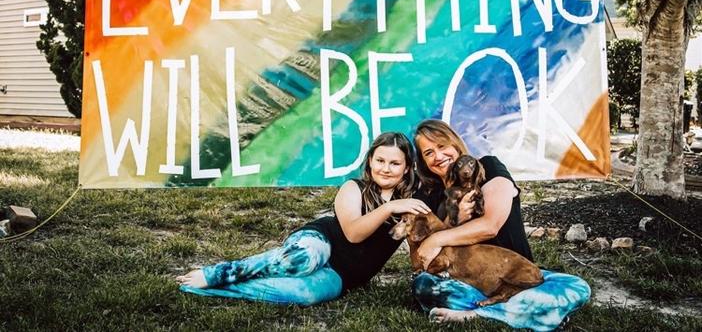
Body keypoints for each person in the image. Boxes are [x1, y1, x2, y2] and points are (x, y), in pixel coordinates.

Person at [176, 131, 430, 305]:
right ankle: (218, 274)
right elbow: (353, 233)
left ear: (407, 167)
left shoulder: (413, 201)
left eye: (394, 163)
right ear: (370, 162)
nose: (385, 168)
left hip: (345, 274)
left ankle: (212, 287)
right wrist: (389, 208)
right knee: (304, 259)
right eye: (380, 160)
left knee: (304, 294)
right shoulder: (353, 188)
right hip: (321, 241)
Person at [411, 119, 590, 330]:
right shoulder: (430, 194)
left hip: (514, 276)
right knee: (423, 285)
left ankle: (477, 313)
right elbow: (425, 256)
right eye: (428, 152)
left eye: (442, 146)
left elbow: (490, 225)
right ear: (423, 161)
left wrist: (436, 238)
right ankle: (526, 311)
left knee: (577, 287)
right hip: (468, 282)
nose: (438, 156)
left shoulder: (489, 167)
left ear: (455, 144)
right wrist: (453, 219)